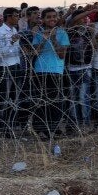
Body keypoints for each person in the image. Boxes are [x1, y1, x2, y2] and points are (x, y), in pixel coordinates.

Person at [32, 8, 70, 139]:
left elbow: (61, 54)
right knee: (41, 102)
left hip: (56, 70)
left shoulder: (62, 33)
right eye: (48, 17)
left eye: (54, 16)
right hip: (40, 70)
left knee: (55, 102)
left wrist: (53, 38)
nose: (52, 19)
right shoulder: (38, 33)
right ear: (43, 19)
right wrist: (43, 39)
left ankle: (53, 128)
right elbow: (35, 52)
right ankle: (41, 130)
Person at [0, 8, 22, 137]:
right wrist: (11, 42)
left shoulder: (14, 30)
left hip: (15, 65)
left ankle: (9, 127)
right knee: (4, 99)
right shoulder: (0, 33)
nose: (18, 18)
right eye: (16, 16)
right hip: (5, 67)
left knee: (13, 99)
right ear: (8, 17)